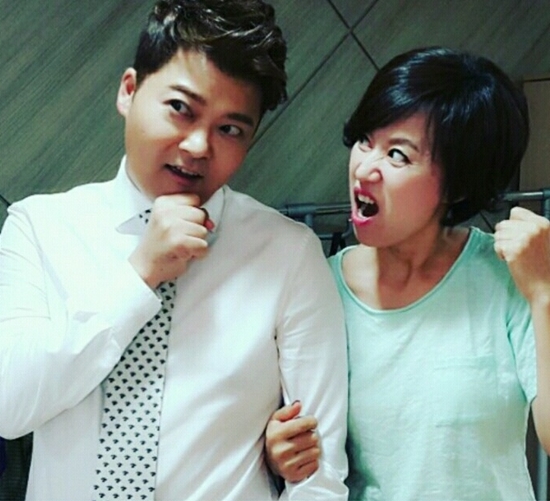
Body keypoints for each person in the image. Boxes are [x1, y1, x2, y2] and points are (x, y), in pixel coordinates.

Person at [0, 1, 349, 500]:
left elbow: (318, 473)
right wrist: (141, 273)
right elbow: (8, 407)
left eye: (230, 129)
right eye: (181, 109)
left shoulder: (288, 254)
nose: (199, 146)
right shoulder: (40, 227)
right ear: (129, 91)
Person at [265, 46, 550, 500]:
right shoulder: (319, 287)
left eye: (397, 155)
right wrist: (281, 453)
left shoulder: (504, 277)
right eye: (365, 140)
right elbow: (312, 447)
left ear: (457, 185)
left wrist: (544, 294)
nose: (365, 168)